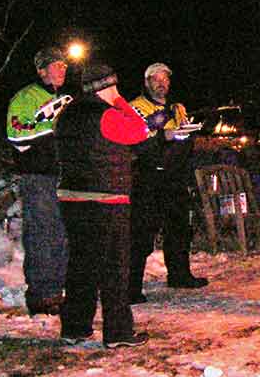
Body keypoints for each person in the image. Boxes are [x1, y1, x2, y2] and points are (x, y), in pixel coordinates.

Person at [55, 62, 150, 348]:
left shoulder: (66, 114)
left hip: (72, 197)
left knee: (81, 265)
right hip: (106, 199)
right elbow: (140, 131)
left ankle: (75, 327)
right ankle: (118, 332)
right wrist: (119, 101)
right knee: (114, 267)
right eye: (114, 86)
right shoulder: (107, 115)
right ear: (106, 87)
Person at [128, 63, 208, 303]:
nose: (162, 84)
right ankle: (131, 287)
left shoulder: (178, 108)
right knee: (141, 233)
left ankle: (180, 275)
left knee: (180, 228)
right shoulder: (135, 107)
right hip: (149, 177)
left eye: (165, 80)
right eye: (156, 79)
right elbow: (137, 141)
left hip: (175, 176)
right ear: (147, 82)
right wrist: (164, 134)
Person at [5, 46, 70, 315]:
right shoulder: (25, 97)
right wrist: (49, 126)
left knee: (63, 233)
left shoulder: (66, 99)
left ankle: (62, 287)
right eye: (57, 64)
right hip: (38, 176)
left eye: (65, 65)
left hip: (63, 175)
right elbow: (16, 132)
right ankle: (43, 294)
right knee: (42, 233)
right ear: (42, 70)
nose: (63, 69)